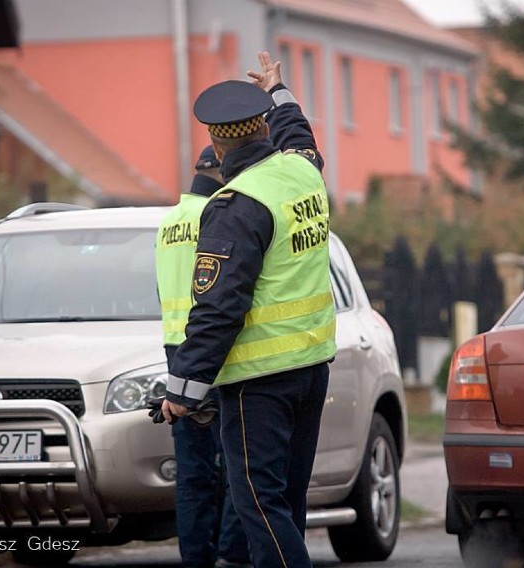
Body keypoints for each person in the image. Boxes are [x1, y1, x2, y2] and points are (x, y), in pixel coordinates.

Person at [160, 51, 336, 568]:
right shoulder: (303, 174)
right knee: (286, 501)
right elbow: (300, 135)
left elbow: (218, 308)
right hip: (310, 367)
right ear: (261, 127)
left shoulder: (235, 205)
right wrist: (279, 90)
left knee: (260, 505)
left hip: (259, 380)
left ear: (215, 141)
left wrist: (182, 389)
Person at [153, 147, 251, 568]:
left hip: (177, 349)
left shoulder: (169, 220)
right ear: (220, 171)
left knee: (193, 468)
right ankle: (234, 549)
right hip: (215, 347)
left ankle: (195, 557)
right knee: (236, 458)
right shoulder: (217, 215)